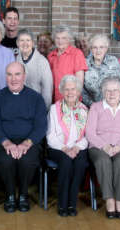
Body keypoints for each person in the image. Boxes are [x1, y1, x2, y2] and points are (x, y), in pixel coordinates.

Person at [0, 62, 47, 213]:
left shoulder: (36, 98)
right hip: (4, 142)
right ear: (5, 77)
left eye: (17, 74)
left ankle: (23, 195)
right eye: (9, 74)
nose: (13, 79)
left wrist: (26, 144)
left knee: (27, 160)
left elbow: (41, 126)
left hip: (29, 141)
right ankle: (9, 195)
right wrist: (6, 143)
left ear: (24, 76)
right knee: (6, 160)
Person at [86, 77, 120, 219]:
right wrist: (105, 146)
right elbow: (90, 132)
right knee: (103, 161)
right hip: (99, 147)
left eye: (115, 90)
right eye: (108, 90)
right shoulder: (95, 107)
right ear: (103, 92)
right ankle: (109, 199)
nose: (112, 93)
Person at [47, 75, 89, 217]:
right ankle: (62, 203)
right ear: (62, 91)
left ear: (78, 91)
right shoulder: (54, 109)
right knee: (65, 162)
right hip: (58, 148)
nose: (70, 92)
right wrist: (65, 149)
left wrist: (76, 148)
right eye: (67, 89)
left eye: (73, 89)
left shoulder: (84, 109)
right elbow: (50, 136)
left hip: (78, 148)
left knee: (80, 163)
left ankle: (72, 203)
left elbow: (87, 137)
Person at [47, 25, 88, 102]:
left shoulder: (77, 54)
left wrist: (73, 101)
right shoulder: (51, 56)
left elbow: (79, 82)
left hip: (71, 100)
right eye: (57, 38)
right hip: (54, 101)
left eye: (64, 38)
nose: (60, 41)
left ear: (69, 39)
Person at [16, 29, 53, 108]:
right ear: (17, 43)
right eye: (22, 40)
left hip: (36, 108)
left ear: (33, 43)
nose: (25, 43)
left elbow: (47, 90)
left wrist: (43, 110)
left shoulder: (42, 61)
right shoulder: (16, 60)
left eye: (28, 40)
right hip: (19, 106)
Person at [82, 34, 120, 107]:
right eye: (95, 47)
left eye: (101, 47)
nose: (98, 51)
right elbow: (82, 90)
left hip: (111, 105)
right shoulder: (85, 63)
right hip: (90, 107)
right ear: (91, 49)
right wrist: (93, 105)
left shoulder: (113, 61)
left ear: (106, 48)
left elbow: (119, 85)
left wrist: (109, 104)